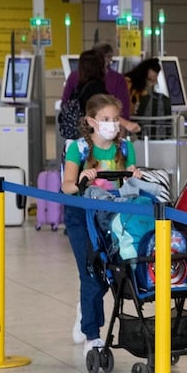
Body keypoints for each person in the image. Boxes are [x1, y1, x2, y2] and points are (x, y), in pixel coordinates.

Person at [62, 94, 143, 352]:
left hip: (113, 217)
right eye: (105, 119)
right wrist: (81, 179)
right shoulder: (78, 148)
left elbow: (131, 185)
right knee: (91, 274)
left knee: (113, 275)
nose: (112, 124)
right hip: (81, 218)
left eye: (115, 119)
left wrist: (135, 177)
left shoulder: (125, 148)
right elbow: (66, 187)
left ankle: (86, 310)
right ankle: (92, 334)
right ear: (91, 121)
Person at [61, 47, 140, 136]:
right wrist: (126, 124)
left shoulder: (78, 83)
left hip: (76, 132)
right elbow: (105, 109)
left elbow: (64, 101)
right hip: (93, 134)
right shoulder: (97, 87)